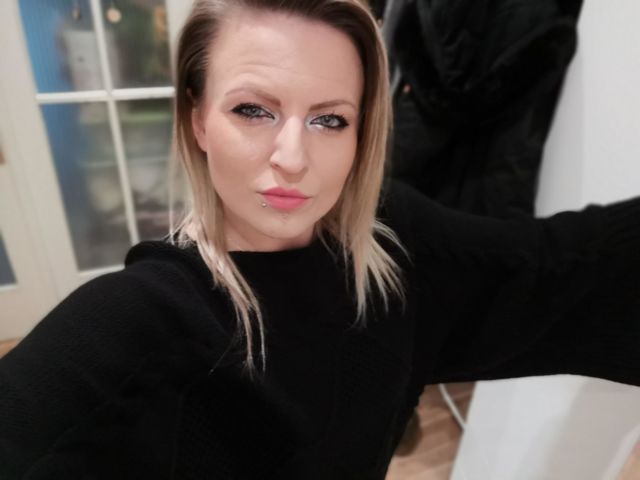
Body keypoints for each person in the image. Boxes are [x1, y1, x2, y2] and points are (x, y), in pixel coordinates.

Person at [1, 0, 639, 478]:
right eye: (253, 110)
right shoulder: (137, 321)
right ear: (197, 119)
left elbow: (559, 266)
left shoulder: (393, 245)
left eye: (330, 120)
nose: (292, 157)